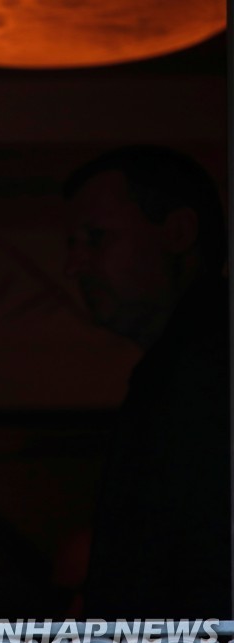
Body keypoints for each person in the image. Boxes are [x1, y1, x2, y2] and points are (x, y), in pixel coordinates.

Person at [64, 145, 231, 618]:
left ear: (178, 233)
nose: (73, 265)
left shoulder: (203, 368)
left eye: (96, 238)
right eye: (73, 244)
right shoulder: (178, 364)